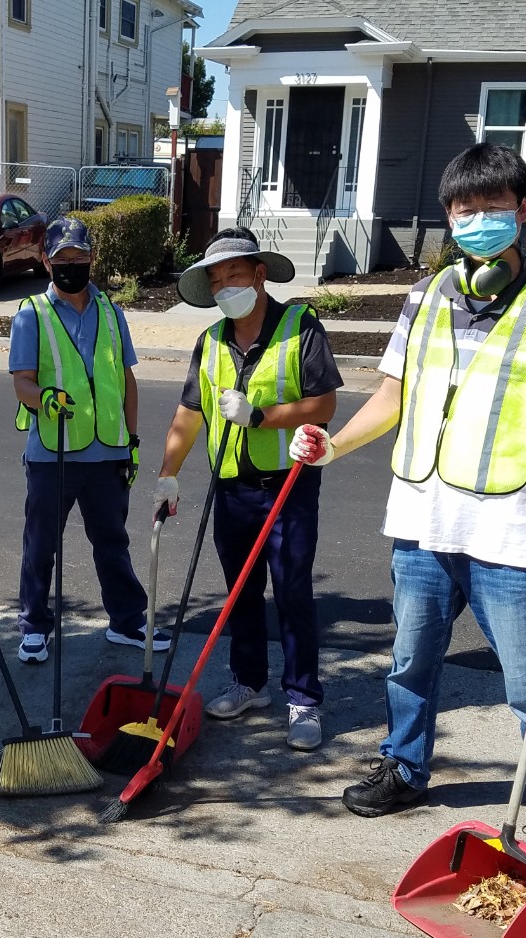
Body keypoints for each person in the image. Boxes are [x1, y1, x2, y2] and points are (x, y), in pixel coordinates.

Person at [290, 143, 526, 867]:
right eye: (465, 211)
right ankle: (405, 768)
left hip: (511, 536)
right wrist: (333, 447)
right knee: (409, 662)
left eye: (494, 208)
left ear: (524, 211)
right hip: (423, 525)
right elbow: (392, 397)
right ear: (448, 216)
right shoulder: (426, 296)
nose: (478, 222)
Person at [154, 227, 343, 751]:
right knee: (240, 593)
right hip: (232, 488)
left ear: (259, 275)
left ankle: (303, 698)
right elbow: (190, 413)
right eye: (215, 281)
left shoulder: (299, 327)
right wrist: (168, 473)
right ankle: (249, 683)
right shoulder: (211, 341)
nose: (224, 287)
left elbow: (324, 406)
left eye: (233, 275)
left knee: (292, 592)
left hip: (288, 488)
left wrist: (260, 417)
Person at [8, 216, 163, 664]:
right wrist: (44, 398)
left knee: (113, 542)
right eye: (62, 259)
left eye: (79, 257)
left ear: (92, 258)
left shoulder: (112, 312)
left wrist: (131, 442)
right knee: (41, 544)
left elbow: (126, 380)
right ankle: (34, 627)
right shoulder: (31, 314)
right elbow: (22, 383)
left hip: (108, 452)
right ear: (45, 260)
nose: (71, 265)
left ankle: (127, 622)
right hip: (52, 453)